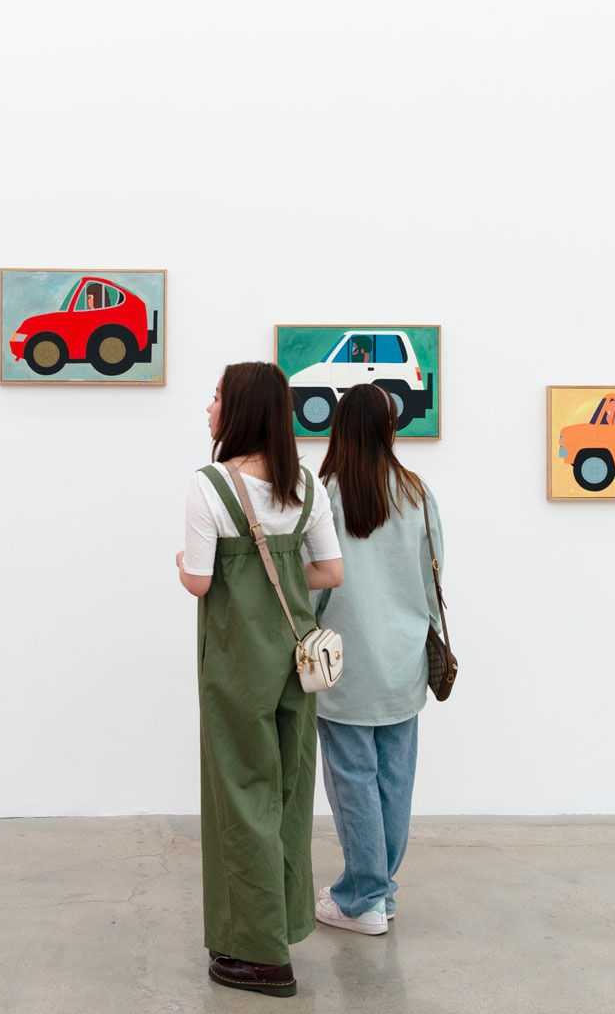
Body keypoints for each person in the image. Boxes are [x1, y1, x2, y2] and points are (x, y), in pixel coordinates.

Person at [176, 361, 344, 997]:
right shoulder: (306, 484)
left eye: (217, 396)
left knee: (240, 795)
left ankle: (260, 955)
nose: (210, 407)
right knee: (288, 794)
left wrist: (179, 563)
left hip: (236, 664)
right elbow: (329, 572)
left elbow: (198, 580)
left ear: (240, 409)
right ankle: (286, 924)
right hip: (298, 664)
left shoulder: (209, 486)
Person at [311, 383, 443, 936]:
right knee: (395, 777)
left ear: (339, 428)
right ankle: (380, 893)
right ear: (391, 429)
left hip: (343, 660)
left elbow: (311, 581)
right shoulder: (416, 491)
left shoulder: (326, 494)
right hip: (403, 656)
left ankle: (362, 898)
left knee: (352, 780)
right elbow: (432, 575)